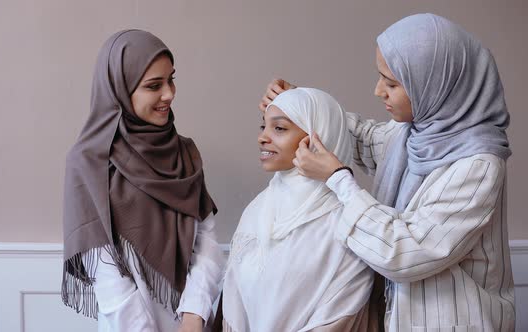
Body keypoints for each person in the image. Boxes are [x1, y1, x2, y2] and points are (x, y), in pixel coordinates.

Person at [261, 13, 515, 331]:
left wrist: (337, 179)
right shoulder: (414, 132)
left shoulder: (477, 167)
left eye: (392, 83)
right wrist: (304, 106)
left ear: (434, 86)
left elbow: (405, 252)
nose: (378, 91)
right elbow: (366, 139)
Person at [62, 30, 225, 332]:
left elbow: (207, 243)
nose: (169, 94)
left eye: (171, 80)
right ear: (119, 89)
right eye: (154, 86)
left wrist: (194, 314)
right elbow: (102, 265)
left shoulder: (185, 153)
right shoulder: (88, 161)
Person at [222, 88, 375, 332]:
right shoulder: (257, 210)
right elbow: (233, 298)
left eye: (279, 128)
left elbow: (339, 316)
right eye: (263, 127)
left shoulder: (347, 222)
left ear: (319, 138)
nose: (262, 137)